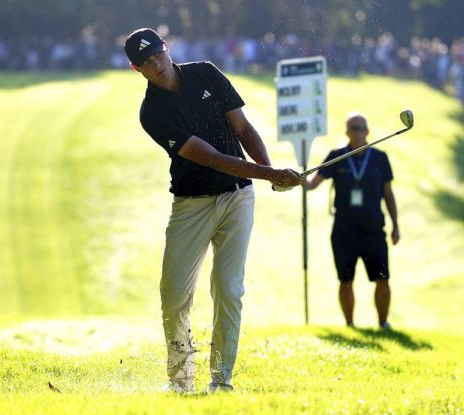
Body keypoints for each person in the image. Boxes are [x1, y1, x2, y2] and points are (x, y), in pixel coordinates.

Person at [124, 28, 300, 394]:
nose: (156, 64)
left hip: (237, 197)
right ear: (135, 69)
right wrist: (271, 173)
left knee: (229, 287)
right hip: (192, 204)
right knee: (173, 295)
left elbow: (242, 127)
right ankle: (181, 381)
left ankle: (221, 380)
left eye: (158, 54)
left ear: (167, 48)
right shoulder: (152, 113)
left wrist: (270, 174)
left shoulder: (206, 72)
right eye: (146, 62)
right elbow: (213, 159)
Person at [305, 114, 400, 329]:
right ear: (346, 132)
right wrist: (298, 179)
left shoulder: (380, 158)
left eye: (360, 128)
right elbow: (313, 183)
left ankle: (383, 324)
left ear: (368, 131)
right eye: (352, 128)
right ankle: (350, 324)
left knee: (382, 278)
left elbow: (388, 193)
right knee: (345, 280)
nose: (356, 132)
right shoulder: (337, 156)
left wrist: (396, 225)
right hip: (344, 229)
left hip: (374, 228)